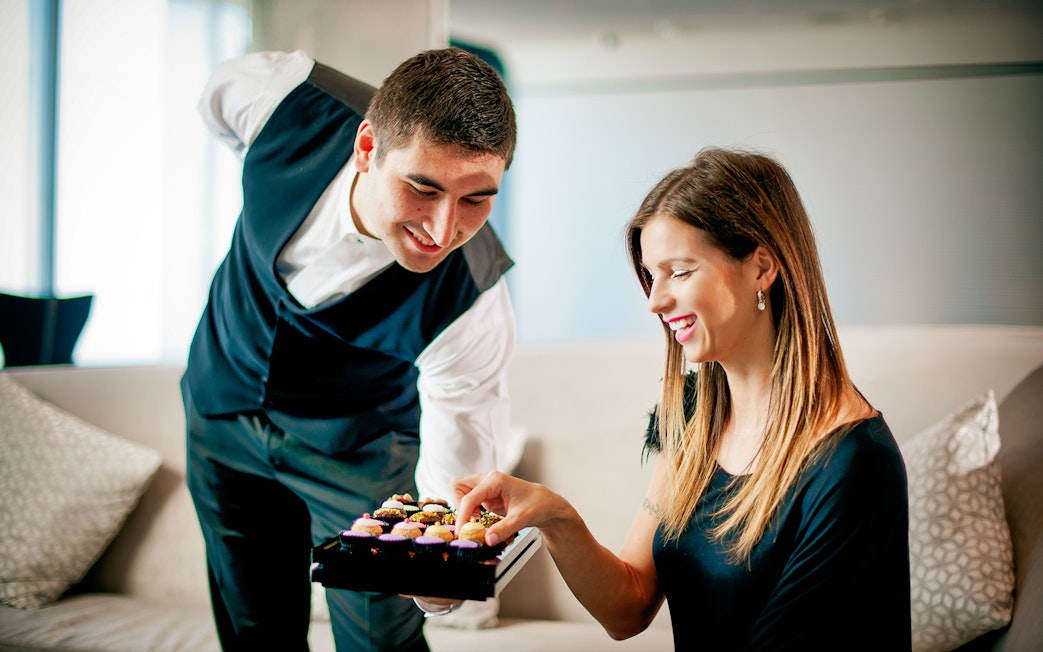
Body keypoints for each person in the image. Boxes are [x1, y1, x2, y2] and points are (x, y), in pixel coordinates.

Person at [452, 147, 912, 650]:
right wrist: (554, 517)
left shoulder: (852, 463)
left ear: (762, 267)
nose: (655, 300)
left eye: (681, 271)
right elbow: (628, 606)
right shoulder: (694, 414)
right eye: (653, 274)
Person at [181, 47, 517, 651]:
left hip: (358, 452)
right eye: (423, 187)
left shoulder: (472, 296)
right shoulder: (281, 100)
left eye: (476, 198)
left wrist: (438, 566)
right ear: (366, 149)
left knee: (379, 643)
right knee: (255, 632)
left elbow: (457, 466)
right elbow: (217, 105)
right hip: (221, 409)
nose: (444, 230)